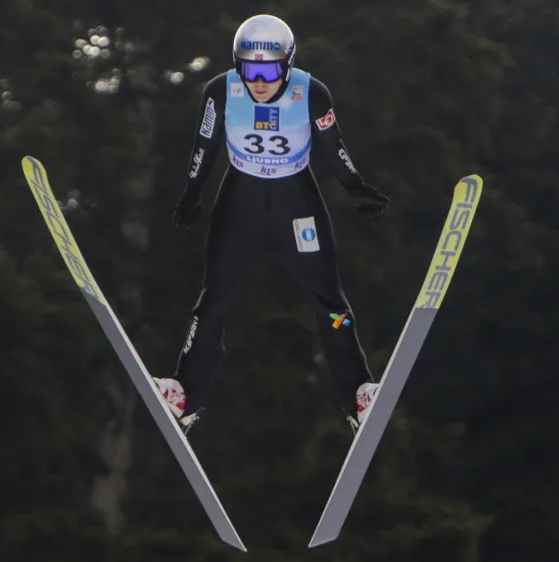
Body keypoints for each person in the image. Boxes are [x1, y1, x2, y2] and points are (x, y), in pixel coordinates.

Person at [153, 14, 390, 433]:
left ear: (289, 64)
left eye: (268, 71)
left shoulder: (311, 93)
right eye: (249, 70)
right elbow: (204, 145)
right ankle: (185, 394)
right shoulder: (220, 92)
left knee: (329, 302)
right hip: (240, 200)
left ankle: (358, 394)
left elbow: (333, 148)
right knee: (214, 299)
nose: (258, 81)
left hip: (294, 201)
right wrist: (193, 190)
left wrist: (355, 187)